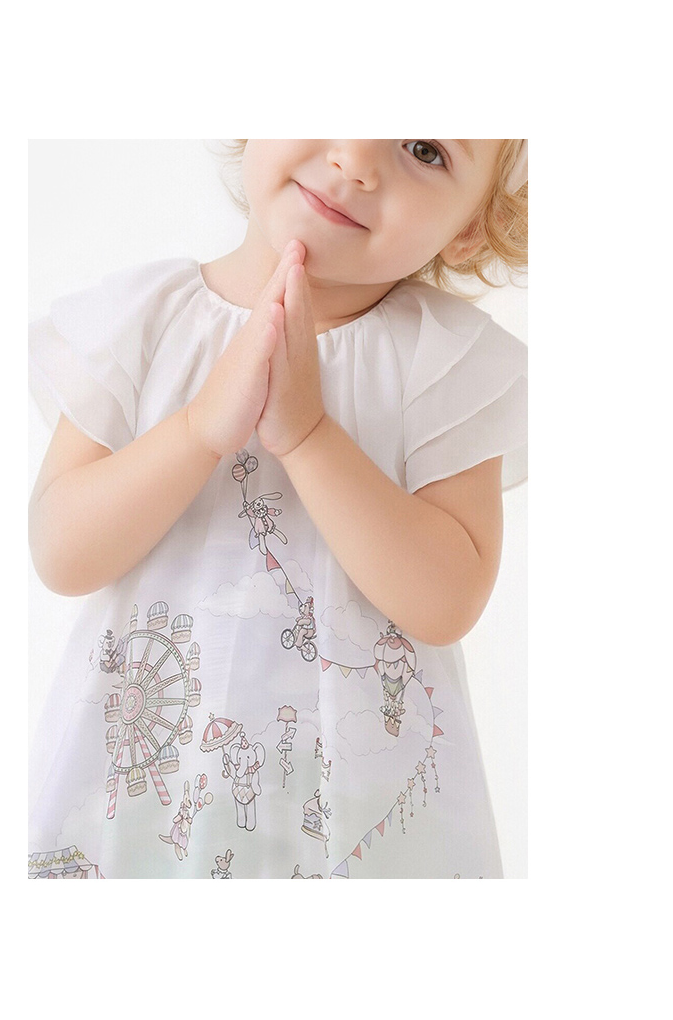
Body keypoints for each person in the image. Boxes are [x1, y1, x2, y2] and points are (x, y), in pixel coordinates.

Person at [28, 139, 527, 880]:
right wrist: (198, 429)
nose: (356, 159)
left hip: (359, 817)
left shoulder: (445, 361)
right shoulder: (140, 322)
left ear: (471, 229)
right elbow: (61, 551)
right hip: (143, 800)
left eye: (425, 150)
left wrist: (309, 436)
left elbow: (447, 599)